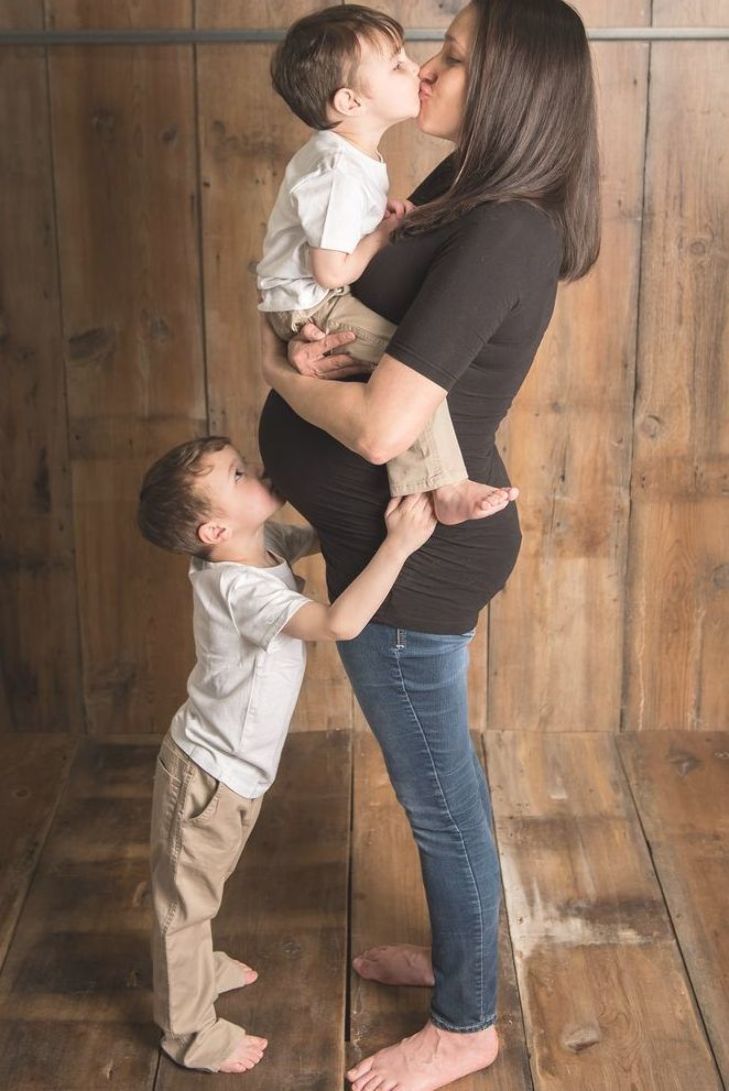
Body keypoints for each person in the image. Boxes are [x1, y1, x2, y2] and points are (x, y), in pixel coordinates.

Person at [257, 0, 600, 1087]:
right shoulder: (457, 192)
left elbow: (382, 426)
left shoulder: (509, 226)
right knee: (440, 791)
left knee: (440, 798)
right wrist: (316, 344)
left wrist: (277, 377)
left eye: (453, 58)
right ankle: (463, 955)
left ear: (509, 90)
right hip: (383, 540)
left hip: (414, 562)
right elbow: (361, 336)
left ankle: (466, 1019)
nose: (432, 73)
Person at [137, 435, 435, 1074]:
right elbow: (337, 625)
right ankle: (191, 1033)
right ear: (215, 528)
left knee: (199, 891)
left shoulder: (262, 543)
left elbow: (316, 535)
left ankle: (196, 963)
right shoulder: (238, 588)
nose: (255, 471)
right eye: (238, 474)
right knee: (182, 907)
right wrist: (399, 544)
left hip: (234, 775)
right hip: (206, 776)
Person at [257, 4, 516, 526]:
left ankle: (441, 484)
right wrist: (380, 234)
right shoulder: (337, 169)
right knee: (409, 368)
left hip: (310, 302)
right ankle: (445, 484)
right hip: (317, 301)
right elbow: (331, 270)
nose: (418, 68)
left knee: (410, 374)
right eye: (397, 64)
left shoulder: (349, 158)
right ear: (350, 101)